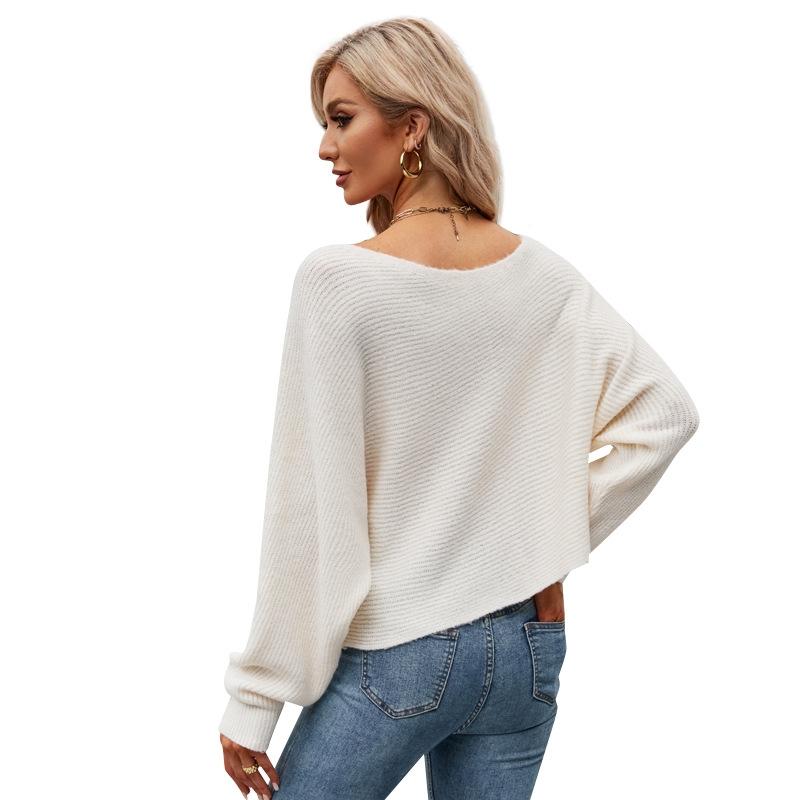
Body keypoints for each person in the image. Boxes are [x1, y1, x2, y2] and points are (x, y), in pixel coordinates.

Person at [218, 16, 700, 800]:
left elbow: (309, 514)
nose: (325, 147)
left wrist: (255, 698)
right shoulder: (545, 277)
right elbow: (664, 416)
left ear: (412, 126)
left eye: (341, 119)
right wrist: (542, 550)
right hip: (525, 653)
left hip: (397, 655)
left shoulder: (338, 283)